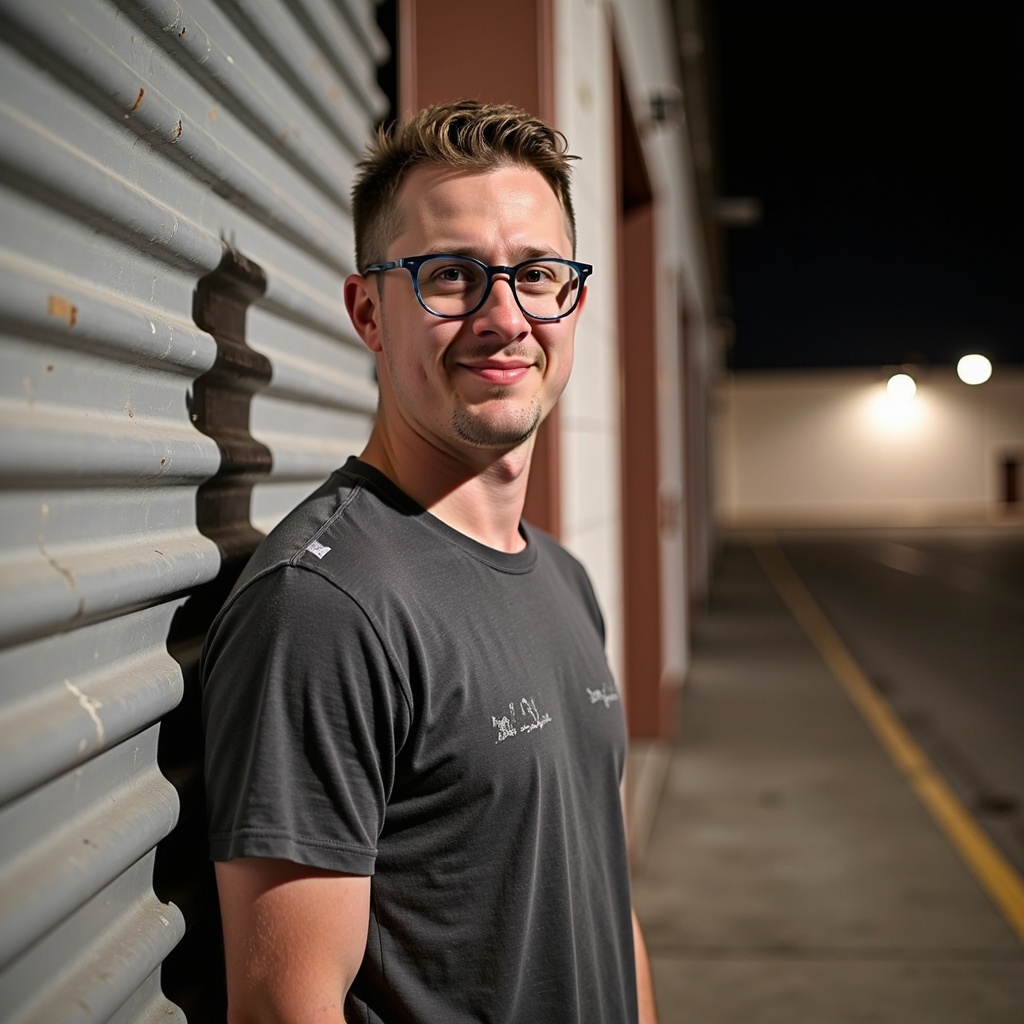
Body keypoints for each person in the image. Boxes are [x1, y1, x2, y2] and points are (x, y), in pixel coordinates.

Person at [201, 99, 658, 1024]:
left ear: (573, 300)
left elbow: (603, 894)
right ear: (370, 311)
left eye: (537, 275)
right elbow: (285, 1005)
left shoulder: (563, 578)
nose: (505, 318)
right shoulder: (326, 605)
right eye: (451, 276)